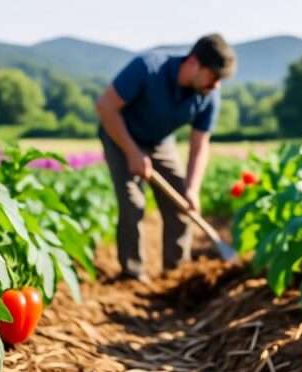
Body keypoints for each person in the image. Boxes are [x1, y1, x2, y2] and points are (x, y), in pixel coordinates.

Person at [96, 33, 236, 281]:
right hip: (120, 134)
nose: (216, 85)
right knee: (133, 203)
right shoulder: (148, 68)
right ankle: (132, 273)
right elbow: (105, 107)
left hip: (159, 141)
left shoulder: (208, 95)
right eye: (213, 76)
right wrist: (132, 152)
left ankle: (176, 274)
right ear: (194, 63)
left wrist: (192, 189)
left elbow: (200, 145)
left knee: (181, 202)